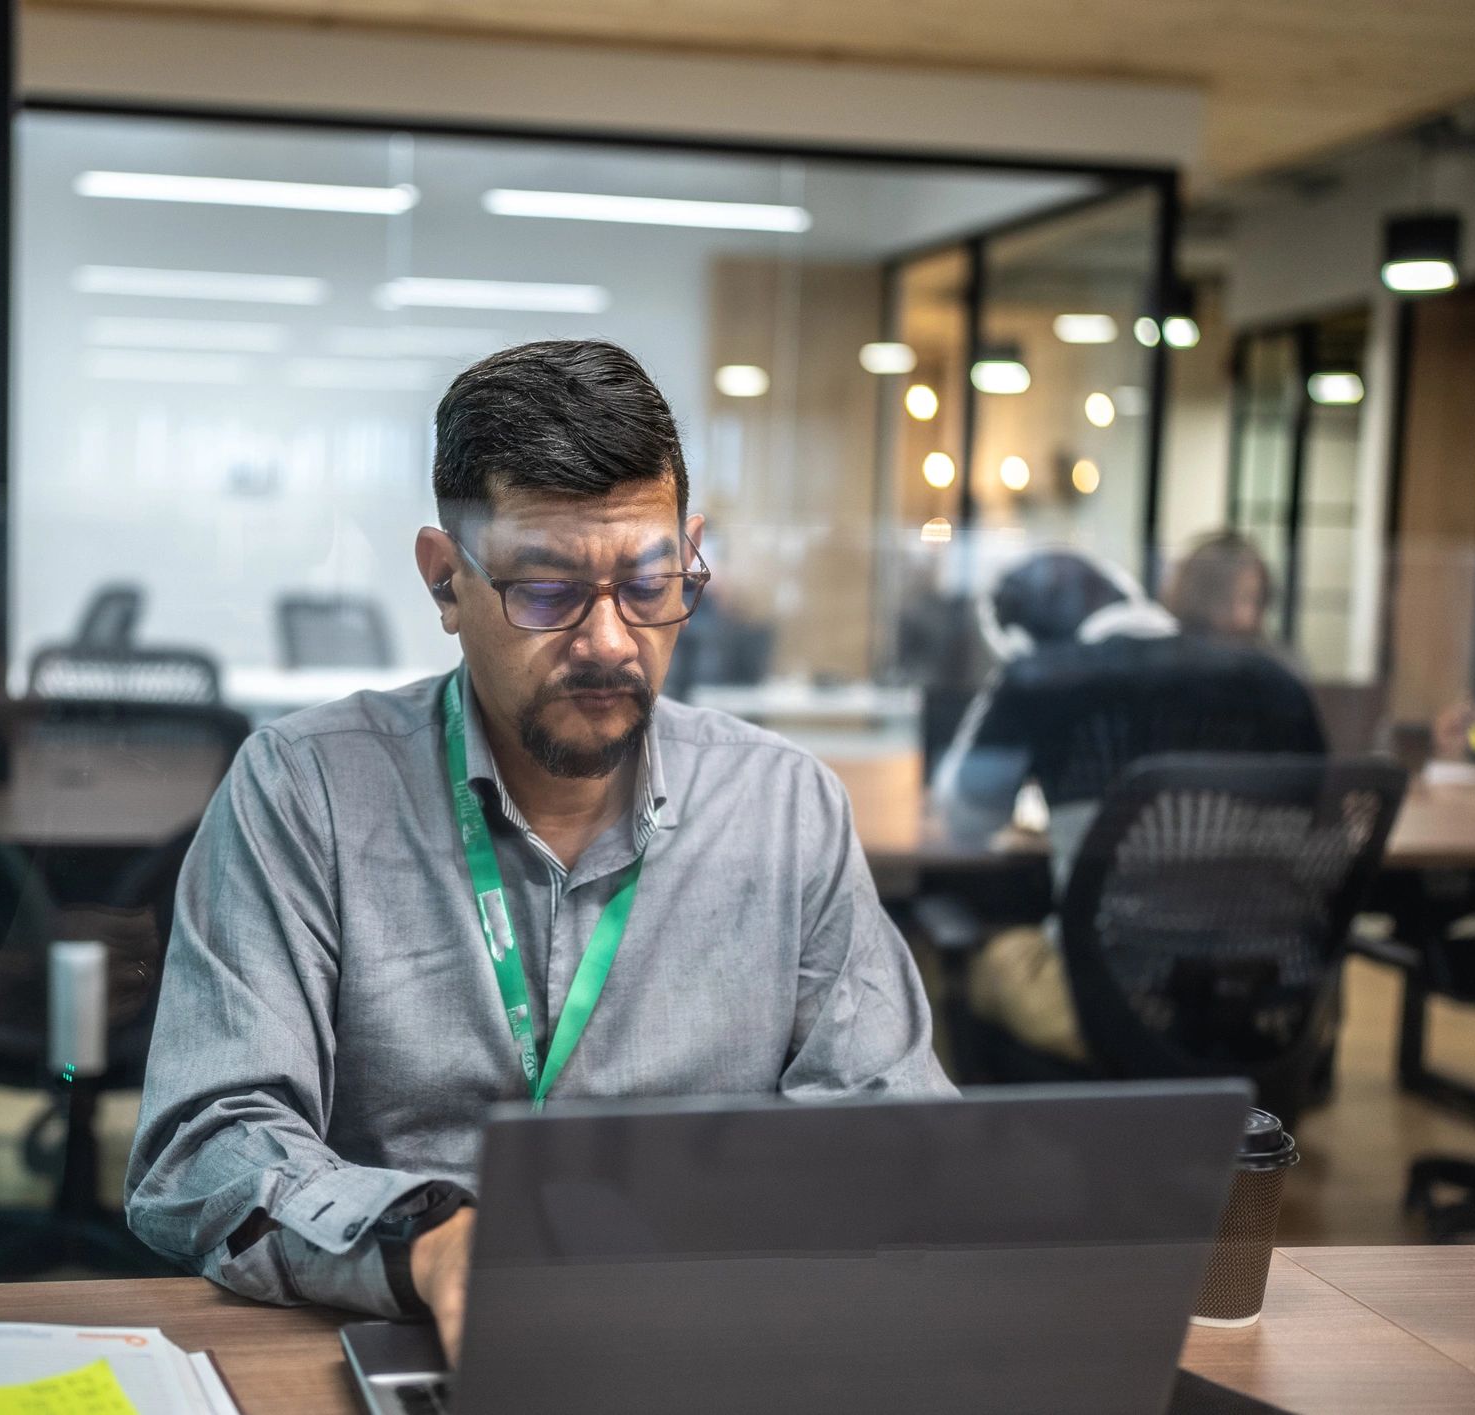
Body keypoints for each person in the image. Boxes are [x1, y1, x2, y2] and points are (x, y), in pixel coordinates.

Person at [125, 340, 953, 1357]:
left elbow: (893, 1142)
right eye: (549, 591)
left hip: (708, 1341)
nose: (610, 640)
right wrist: (428, 1241)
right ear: (445, 581)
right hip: (412, 1332)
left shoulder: (785, 808)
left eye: (651, 583)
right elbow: (205, 1145)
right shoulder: (308, 794)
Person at [935, 547, 1323, 1061]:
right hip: (1263, 994)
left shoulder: (1044, 680)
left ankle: (942, 1135)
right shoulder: (1274, 682)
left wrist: (1008, 683)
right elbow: (1316, 819)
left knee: (953, 955)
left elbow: (964, 818)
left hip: (1111, 1001)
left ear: (1024, 641)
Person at [1163, 530, 1273, 643]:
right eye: (1225, 600)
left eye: (1251, 600)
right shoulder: (1162, 656)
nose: (1241, 616)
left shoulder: (1266, 657)